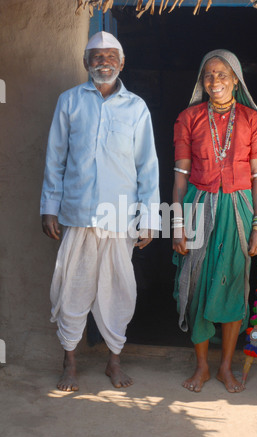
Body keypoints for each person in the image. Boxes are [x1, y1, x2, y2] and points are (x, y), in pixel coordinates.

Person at [40, 31, 160, 392]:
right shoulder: (70, 102)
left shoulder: (136, 108)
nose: (103, 62)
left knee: (118, 291)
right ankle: (70, 362)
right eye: (96, 56)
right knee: (71, 289)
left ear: (121, 63)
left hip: (120, 217)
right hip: (77, 214)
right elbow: (55, 159)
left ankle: (113, 361)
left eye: (110, 56)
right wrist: (49, 208)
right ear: (85, 62)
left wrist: (150, 220)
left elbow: (147, 167)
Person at [172, 49, 257, 393]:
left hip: (238, 210)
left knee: (231, 287)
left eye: (223, 74)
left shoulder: (253, 120)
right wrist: (178, 224)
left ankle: (226, 367)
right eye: (209, 75)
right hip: (197, 207)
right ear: (202, 81)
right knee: (195, 286)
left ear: (236, 80)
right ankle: (202, 367)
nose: (215, 82)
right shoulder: (188, 118)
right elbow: (180, 177)